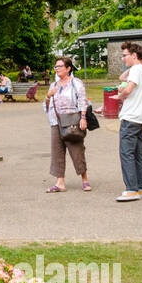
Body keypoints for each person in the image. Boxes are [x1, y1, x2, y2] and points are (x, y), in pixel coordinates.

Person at [45, 56, 91, 192]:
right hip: (55, 120)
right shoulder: (53, 85)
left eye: (60, 66)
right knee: (57, 151)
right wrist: (48, 96)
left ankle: (85, 179)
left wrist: (83, 118)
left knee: (76, 149)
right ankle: (60, 182)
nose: (57, 69)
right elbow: (46, 105)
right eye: (56, 67)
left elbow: (83, 101)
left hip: (72, 120)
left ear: (68, 68)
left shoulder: (76, 83)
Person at [114, 41, 142, 201]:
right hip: (141, 117)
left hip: (130, 116)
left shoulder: (137, 69)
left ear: (134, 55)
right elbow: (122, 76)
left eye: (125, 55)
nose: (123, 59)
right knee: (138, 153)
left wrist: (119, 95)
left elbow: (128, 88)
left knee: (126, 152)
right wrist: (131, 65)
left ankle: (131, 189)